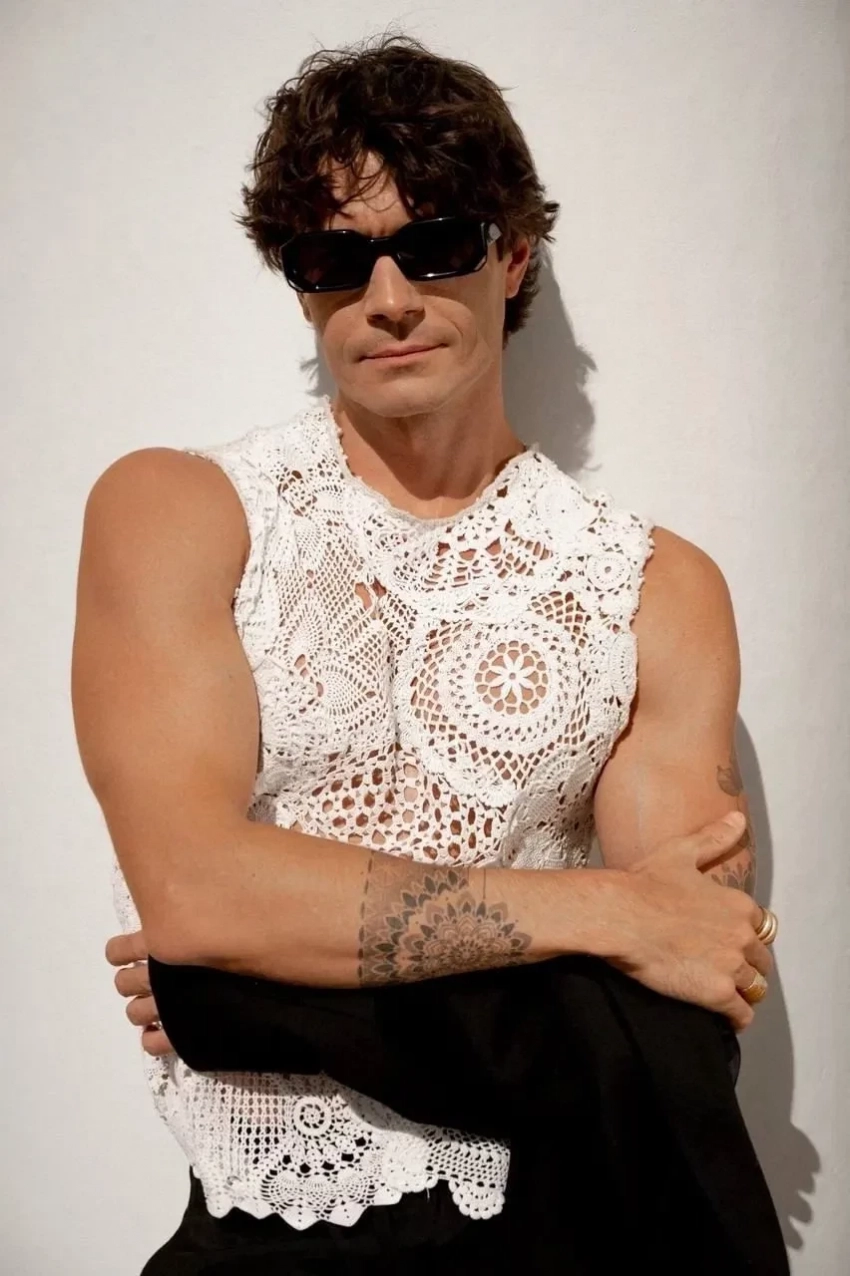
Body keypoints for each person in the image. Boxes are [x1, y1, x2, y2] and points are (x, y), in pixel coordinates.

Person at [72, 31, 778, 1275]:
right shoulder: (182, 512)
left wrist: (244, 994)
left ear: (513, 256)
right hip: (266, 1238)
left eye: (437, 244)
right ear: (300, 285)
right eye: (336, 259)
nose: (388, 297)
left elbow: (683, 1008)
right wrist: (603, 913)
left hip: (564, 1228)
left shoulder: (654, 587)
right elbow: (195, 898)